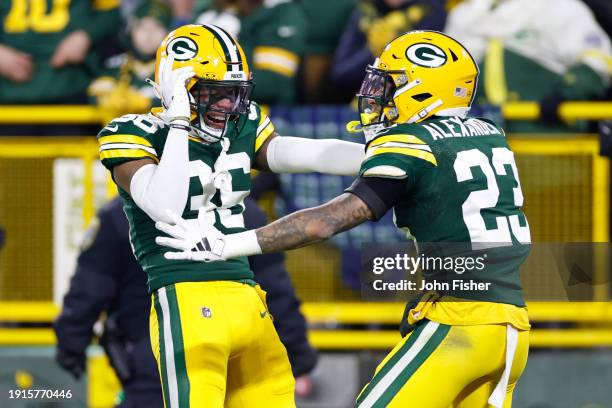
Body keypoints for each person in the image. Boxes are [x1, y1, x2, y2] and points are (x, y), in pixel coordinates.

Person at [155, 30, 532, 407]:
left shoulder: (411, 141)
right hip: (513, 325)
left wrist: (227, 243)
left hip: (461, 322)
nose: (377, 95)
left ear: (423, 90)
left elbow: (325, 222)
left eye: (391, 85)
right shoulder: (489, 134)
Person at [97, 24, 363, 407]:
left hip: (247, 298)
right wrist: (176, 122)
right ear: (177, 86)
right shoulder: (134, 132)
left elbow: (301, 153)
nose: (227, 105)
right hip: (185, 299)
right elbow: (165, 206)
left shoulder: (242, 125)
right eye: (213, 93)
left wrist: (382, 154)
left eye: (234, 93)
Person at [53, 196, 317, 407]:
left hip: (156, 360)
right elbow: (277, 295)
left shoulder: (118, 215)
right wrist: (298, 356)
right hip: (242, 362)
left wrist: (70, 348)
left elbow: (88, 291)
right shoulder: (246, 212)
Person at [445, 0, 612, 133]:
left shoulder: (560, 7)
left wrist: (567, 93)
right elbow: (449, 71)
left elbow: (599, 58)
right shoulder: (465, 14)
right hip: (485, 143)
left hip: (548, 138)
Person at [331, 0, 447, 101]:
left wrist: (398, 43)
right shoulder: (365, 13)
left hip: (419, 102)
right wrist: (374, 51)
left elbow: (435, 73)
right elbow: (340, 76)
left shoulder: (432, 10)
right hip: (371, 101)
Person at [195, 0, 307, 104]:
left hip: (267, 115)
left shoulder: (282, 12)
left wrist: (212, 84)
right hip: (204, 110)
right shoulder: (209, 14)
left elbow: (274, 83)